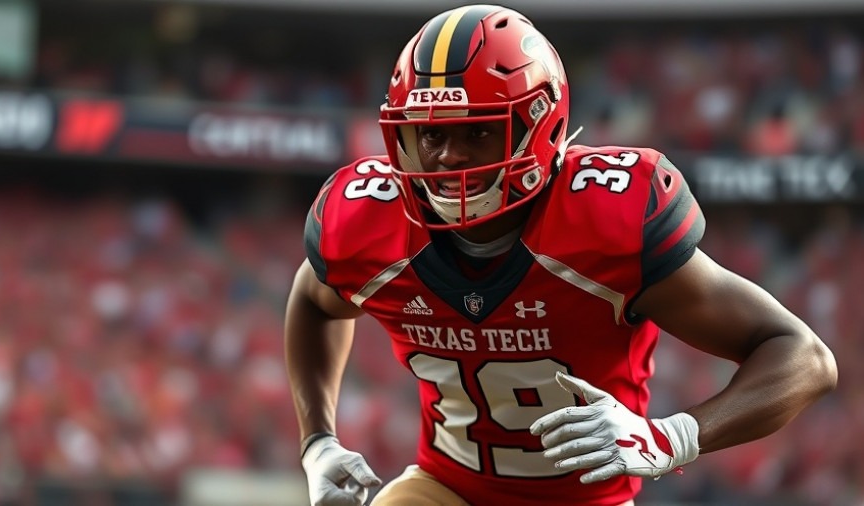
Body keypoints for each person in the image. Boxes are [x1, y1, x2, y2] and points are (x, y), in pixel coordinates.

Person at [284, 4, 838, 505]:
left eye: (477, 132)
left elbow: (805, 359)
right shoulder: (367, 220)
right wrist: (318, 442)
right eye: (430, 134)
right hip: (445, 487)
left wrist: (672, 437)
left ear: (537, 127)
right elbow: (313, 301)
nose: (447, 157)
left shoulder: (604, 221)